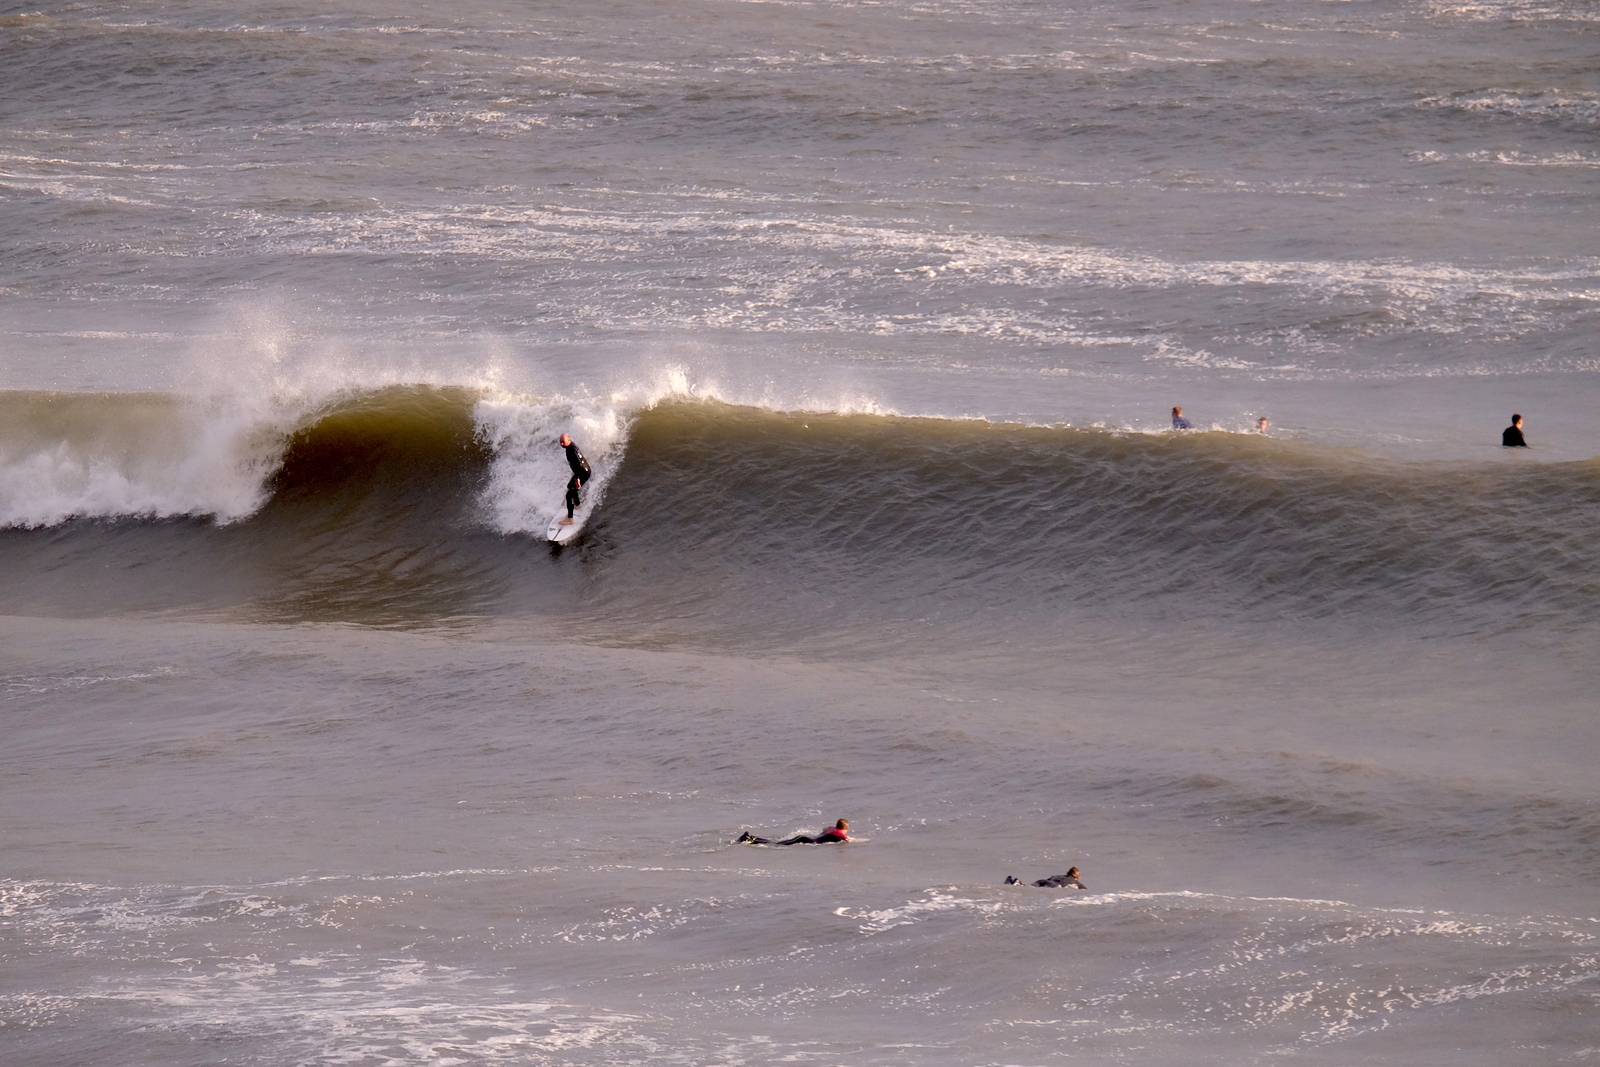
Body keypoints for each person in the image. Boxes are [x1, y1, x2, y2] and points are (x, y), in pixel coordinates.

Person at [557, 433, 591, 524]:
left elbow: (579, 465)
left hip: (582, 473)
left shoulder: (572, 451)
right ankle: (577, 504)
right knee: (571, 487)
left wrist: (577, 478)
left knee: (569, 494)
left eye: (563, 442)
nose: (562, 444)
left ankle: (570, 519)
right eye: (560, 442)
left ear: (568, 440)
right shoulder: (570, 446)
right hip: (583, 471)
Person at [737, 818, 850, 845]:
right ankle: (748, 838)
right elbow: (844, 839)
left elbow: (825, 830)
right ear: (845, 829)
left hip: (804, 838)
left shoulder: (831, 830)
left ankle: (750, 837)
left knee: (775, 844)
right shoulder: (838, 836)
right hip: (805, 840)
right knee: (775, 845)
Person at [1004, 866, 1086, 889]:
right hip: (1056, 886)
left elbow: (1047, 880)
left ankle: (1018, 883)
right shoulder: (1077, 883)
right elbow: (1085, 891)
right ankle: (1019, 885)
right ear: (1078, 877)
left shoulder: (1057, 876)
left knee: (1032, 887)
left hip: (1044, 881)